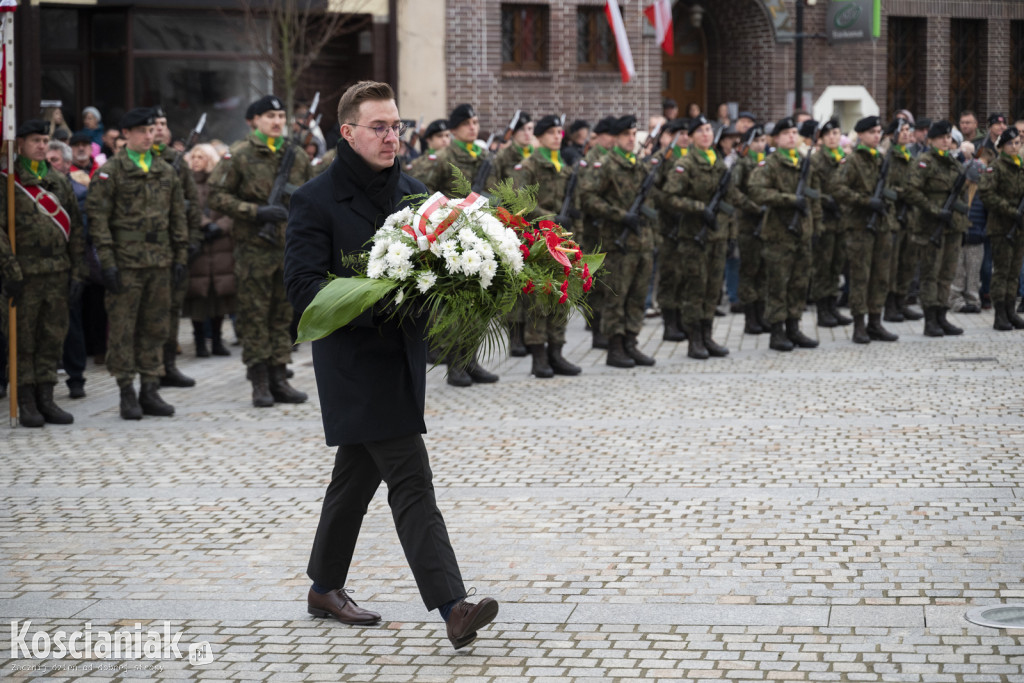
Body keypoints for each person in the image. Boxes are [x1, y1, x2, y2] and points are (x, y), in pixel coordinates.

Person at [284, 79, 499, 651]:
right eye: (378, 127)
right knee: (410, 481)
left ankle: (323, 587)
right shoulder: (315, 199)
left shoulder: (413, 191)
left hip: (401, 361)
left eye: (396, 125)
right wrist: (378, 297)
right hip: (354, 366)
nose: (391, 136)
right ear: (347, 132)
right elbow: (303, 288)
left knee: (354, 480)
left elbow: (434, 266)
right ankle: (454, 606)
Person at [209, 95, 312, 407]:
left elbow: (311, 194)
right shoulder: (238, 155)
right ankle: (259, 382)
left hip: (288, 249)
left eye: (281, 115)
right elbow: (216, 195)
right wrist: (255, 212)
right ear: (255, 120)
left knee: (282, 316)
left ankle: (280, 376)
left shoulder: (295, 155)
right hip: (254, 250)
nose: (277, 121)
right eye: (270, 115)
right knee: (255, 317)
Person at [85, 107, 188, 419]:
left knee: (155, 327)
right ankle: (127, 391)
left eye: (151, 131)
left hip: (160, 263)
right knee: (123, 328)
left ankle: (150, 388)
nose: (149, 136)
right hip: (126, 263)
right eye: (142, 131)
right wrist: (108, 263)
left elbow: (177, 218)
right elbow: (98, 221)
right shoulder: (110, 173)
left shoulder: (165, 170)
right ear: (126, 134)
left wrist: (180, 256)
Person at [0, 120, 87, 426]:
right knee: (23, 339)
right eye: (35, 140)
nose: (41, 146)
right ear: (19, 144)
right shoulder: (8, 181)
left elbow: (75, 229)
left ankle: (46, 398)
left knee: (52, 336)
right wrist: (9, 269)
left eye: (44, 140)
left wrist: (78, 273)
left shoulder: (58, 180)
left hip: (57, 271)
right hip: (24, 273)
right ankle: (26, 401)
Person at [417, 103, 500, 386]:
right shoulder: (442, 158)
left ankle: (471, 360)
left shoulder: (485, 157)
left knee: (479, 301)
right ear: (453, 129)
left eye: (475, 122)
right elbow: (421, 191)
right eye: (466, 123)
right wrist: (448, 210)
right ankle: (454, 364)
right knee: (454, 305)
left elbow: (499, 190)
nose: (473, 127)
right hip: (451, 239)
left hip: (481, 237)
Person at [580, 114, 657, 368]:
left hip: (642, 242)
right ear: (615, 138)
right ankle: (614, 347)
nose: (631, 139)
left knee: (637, 296)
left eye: (634, 135)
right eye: (626, 135)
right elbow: (588, 198)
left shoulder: (639, 165)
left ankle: (631, 343)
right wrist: (620, 215)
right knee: (616, 297)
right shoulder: (606, 165)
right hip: (617, 243)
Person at [654, 114, 731, 359]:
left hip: (717, 234)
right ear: (693, 136)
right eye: (701, 131)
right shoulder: (685, 163)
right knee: (695, 288)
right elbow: (669, 196)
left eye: (709, 129)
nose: (706, 134)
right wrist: (699, 209)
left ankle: (708, 336)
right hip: (693, 236)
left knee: (713, 289)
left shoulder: (718, 161)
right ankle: (694, 339)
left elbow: (730, 194)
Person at [511, 114, 582, 378]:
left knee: (561, 297)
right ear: (539, 137)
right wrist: (551, 217)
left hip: (564, 243)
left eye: (559, 131)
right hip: (539, 242)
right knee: (540, 299)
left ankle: (557, 352)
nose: (557, 136)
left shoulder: (565, 166)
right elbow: (521, 204)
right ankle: (539, 356)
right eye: (551, 132)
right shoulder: (528, 166)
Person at [748, 117, 819, 352]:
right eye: (786, 133)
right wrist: (789, 200)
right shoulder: (770, 164)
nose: (791, 136)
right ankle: (777, 331)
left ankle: (793, 327)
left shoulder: (802, 161)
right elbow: (756, 191)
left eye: (794, 132)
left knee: (799, 283)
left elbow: (813, 194)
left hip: (802, 232)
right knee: (778, 284)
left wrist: (815, 224)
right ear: (775, 139)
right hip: (779, 234)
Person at [833, 116, 898, 344]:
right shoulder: (852, 161)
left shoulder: (881, 159)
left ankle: (875, 322)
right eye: (872, 131)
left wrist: (886, 199)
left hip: (881, 225)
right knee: (861, 277)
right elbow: (839, 190)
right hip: (860, 226)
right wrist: (866, 201)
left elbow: (890, 187)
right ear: (860, 135)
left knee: (881, 276)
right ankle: (859, 325)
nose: (876, 135)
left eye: (879, 131)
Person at [904, 120, 969, 337]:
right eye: (942, 137)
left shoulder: (954, 163)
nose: (946, 141)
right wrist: (934, 210)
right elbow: (912, 191)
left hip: (952, 225)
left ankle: (942, 315)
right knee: (930, 274)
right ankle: (930, 319)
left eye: (949, 137)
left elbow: (963, 191)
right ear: (931, 140)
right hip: (931, 226)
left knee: (947, 273)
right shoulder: (924, 162)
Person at [152, 106, 202, 388]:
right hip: (146, 248)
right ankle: (151, 368)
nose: (159, 128)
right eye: (154, 124)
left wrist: (193, 238)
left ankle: (168, 365)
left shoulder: (178, 161)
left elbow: (192, 203)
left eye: (163, 123)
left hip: (175, 245)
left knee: (172, 310)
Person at [184, 143, 236, 355]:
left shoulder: (221, 184)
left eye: (201, 157)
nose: (196, 161)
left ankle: (216, 340)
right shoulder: (186, 184)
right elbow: (185, 207)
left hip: (220, 245)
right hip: (198, 244)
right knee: (198, 295)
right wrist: (205, 224)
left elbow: (231, 209)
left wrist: (221, 226)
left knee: (219, 295)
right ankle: (199, 342)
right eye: (194, 157)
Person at [808, 118, 852, 328]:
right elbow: (812, 190)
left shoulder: (845, 158)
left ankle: (833, 306)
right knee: (823, 267)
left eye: (836, 133)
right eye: (829, 135)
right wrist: (827, 201)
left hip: (843, 220)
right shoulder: (817, 161)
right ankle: (822, 309)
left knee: (837, 265)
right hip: (825, 219)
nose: (833, 137)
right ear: (823, 139)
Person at [979, 127, 1024, 330]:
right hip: (1001, 227)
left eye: (1017, 143)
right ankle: (999, 314)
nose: (1014, 147)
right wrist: (1011, 211)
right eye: (1010, 144)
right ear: (1002, 146)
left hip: (1019, 227)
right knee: (1002, 272)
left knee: (1014, 272)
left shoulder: (1021, 167)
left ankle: (1010, 310)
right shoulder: (996, 167)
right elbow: (987, 195)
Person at [577, 116, 616, 349]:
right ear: (598, 136)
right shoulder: (591, 160)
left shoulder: (612, 158)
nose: (613, 139)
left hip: (611, 228)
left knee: (610, 281)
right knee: (596, 282)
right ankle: (596, 329)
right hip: (594, 229)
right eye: (609, 134)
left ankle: (607, 328)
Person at [883, 118, 925, 324]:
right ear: (894, 134)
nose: (908, 133)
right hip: (895, 216)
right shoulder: (890, 157)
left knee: (908, 263)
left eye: (910, 130)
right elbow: (886, 187)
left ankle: (902, 302)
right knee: (893, 264)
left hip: (911, 216)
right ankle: (890, 306)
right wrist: (904, 194)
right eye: (904, 130)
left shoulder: (910, 156)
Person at [733, 124, 770, 335]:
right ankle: (750, 318)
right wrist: (754, 207)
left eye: (763, 141)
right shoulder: (743, 164)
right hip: (749, 223)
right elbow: (735, 192)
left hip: (765, 223)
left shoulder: (766, 164)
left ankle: (761, 314)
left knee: (763, 271)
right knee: (750, 271)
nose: (760, 145)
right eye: (756, 141)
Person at [949, 147, 991, 315]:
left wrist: (983, 232)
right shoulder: (957, 192)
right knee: (958, 273)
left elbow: (988, 215)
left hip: (977, 236)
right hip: (959, 236)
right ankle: (956, 301)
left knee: (974, 274)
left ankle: (973, 301)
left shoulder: (983, 194)